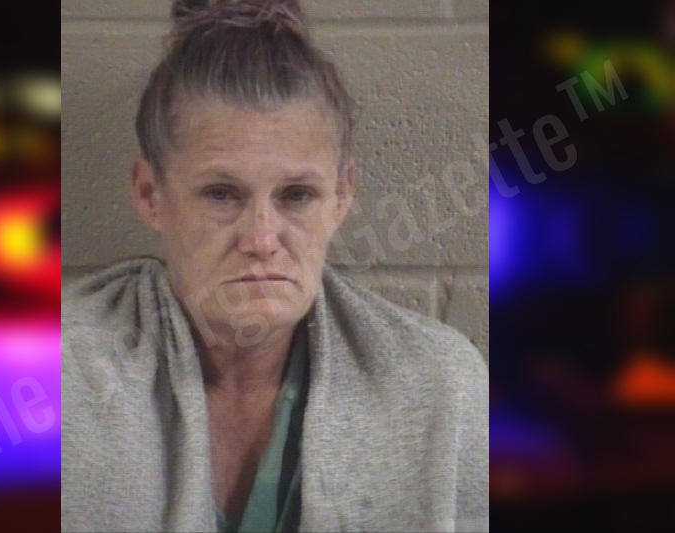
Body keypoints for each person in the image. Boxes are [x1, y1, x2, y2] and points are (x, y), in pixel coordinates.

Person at [61, 1, 488, 531]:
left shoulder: (438, 387)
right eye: (221, 194)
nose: (261, 240)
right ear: (150, 194)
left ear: (342, 196)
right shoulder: (54, 379)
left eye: (297, 195)